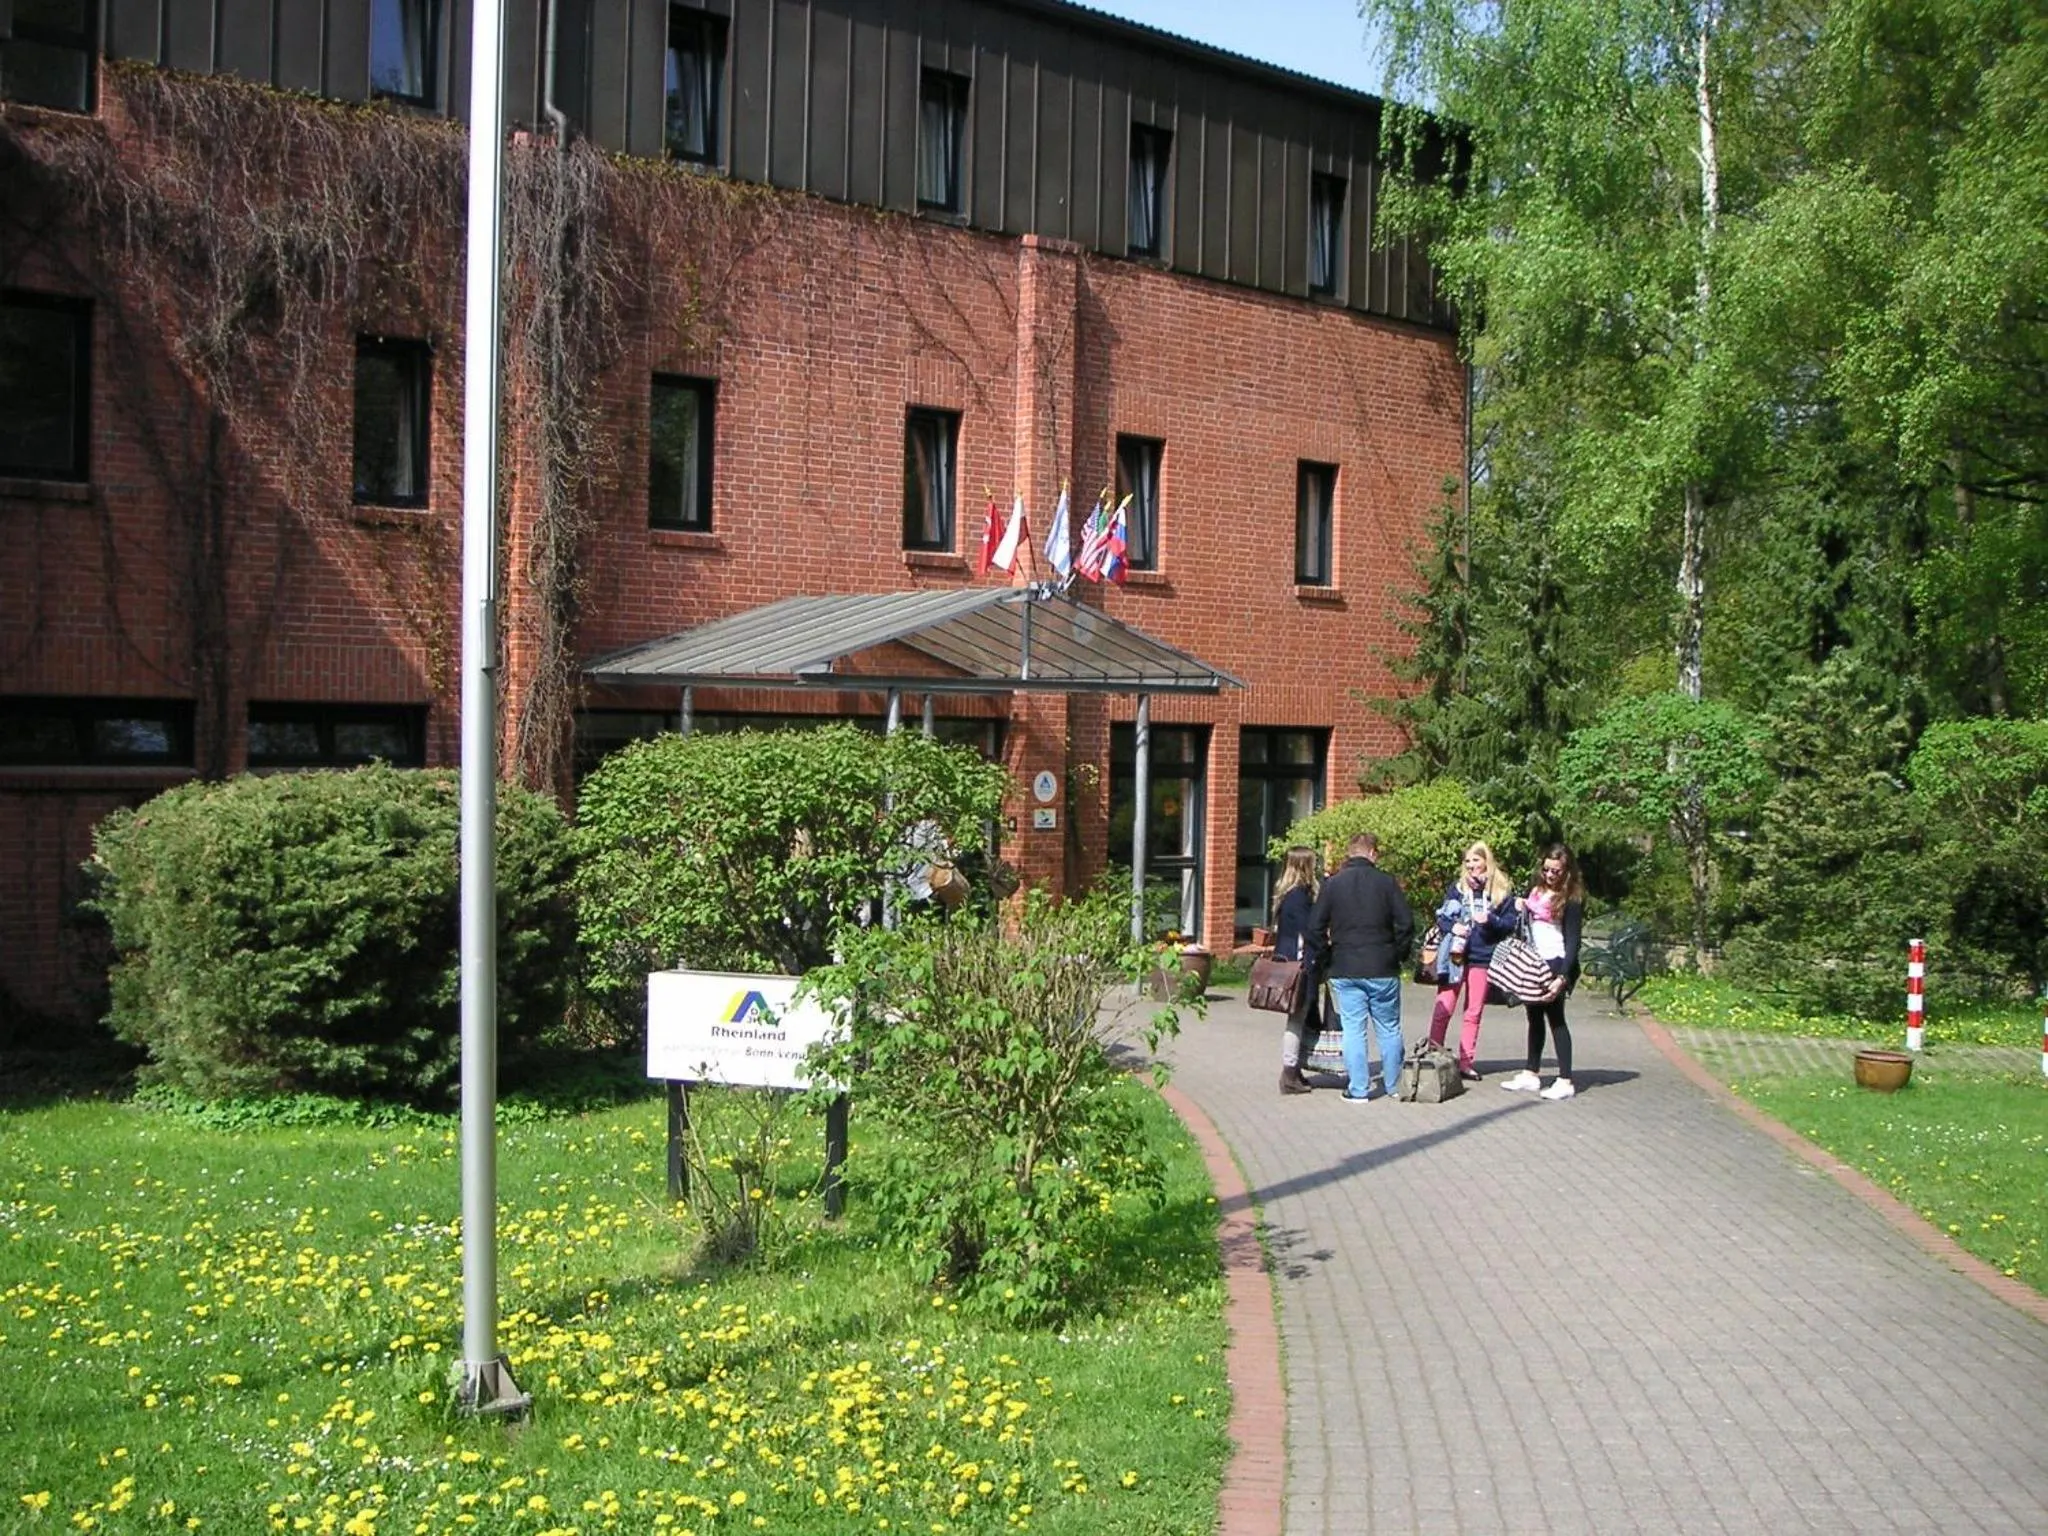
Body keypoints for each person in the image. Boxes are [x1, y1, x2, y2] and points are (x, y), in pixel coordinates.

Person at [1307, 831, 1415, 1102]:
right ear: (1373, 853)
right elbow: (1406, 924)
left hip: (1345, 966)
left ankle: (1358, 1089)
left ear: (1348, 853)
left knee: (1353, 1029)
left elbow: (1314, 927)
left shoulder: (1333, 885)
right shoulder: (1387, 883)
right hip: (1382, 966)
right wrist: (1398, 953)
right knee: (1389, 1028)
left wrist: (1327, 956)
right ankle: (1393, 1087)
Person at [1500, 844, 1586, 1101]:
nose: (1550, 875)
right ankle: (1531, 1072)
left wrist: (1563, 976)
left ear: (1566, 871)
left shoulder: (1572, 898)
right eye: (1547, 869)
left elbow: (1573, 940)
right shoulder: (1536, 889)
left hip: (1555, 960)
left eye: (1556, 871)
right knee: (1533, 1016)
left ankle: (1565, 1079)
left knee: (1556, 1018)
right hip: (1532, 960)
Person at [1425, 841, 1517, 1081]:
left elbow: (1509, 924)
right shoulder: (1457, 889)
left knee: (1473, 1011)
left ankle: (1466, 1062)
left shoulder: (1501, 890)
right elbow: (1442, 917)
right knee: (1444, 1006)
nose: (1471, 866)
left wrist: (1490, 920)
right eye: (1467, 862)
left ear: (1486, 861)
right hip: (1455, 956)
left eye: (1476, 861)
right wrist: (1452, 926)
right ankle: (1433, 1055)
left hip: (1482, 957)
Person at [1271, 846, 1326, 1095]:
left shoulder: (1287, 896)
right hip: (1301, 968)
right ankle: (1290, 1072)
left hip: (1291, 964)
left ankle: (1296, 1069)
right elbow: (1310, 933)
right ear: (1306, 867)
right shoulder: (1299, 897)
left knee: (1301, 1018)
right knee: (1297, 1018)